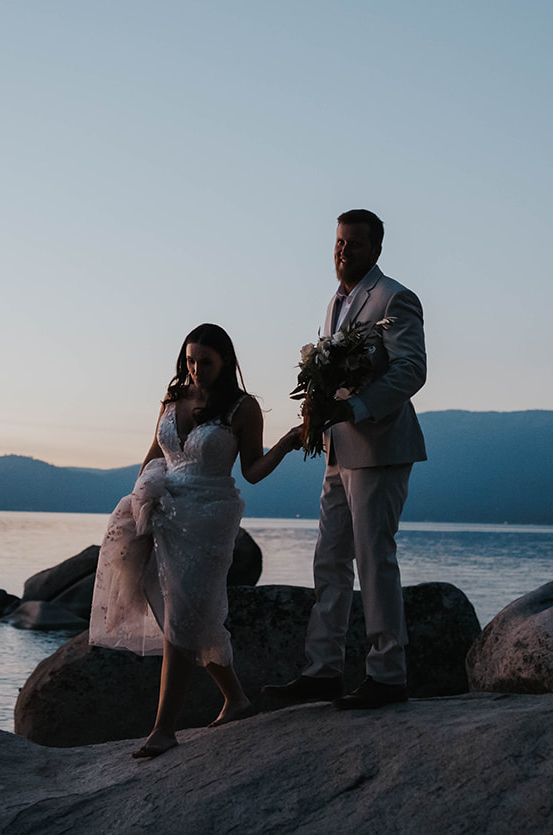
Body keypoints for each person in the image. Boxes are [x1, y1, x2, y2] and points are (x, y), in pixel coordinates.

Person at [90, 323, 302, 759]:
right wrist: (140, 501)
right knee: (190, 614)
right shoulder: (172, 401)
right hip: (164, 513)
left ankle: (164, 729)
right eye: (189, 360)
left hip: (209, 517)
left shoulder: (243, 408)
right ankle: (237, 699)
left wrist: (287, 443)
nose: (196, 369)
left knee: (183, 616)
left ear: (225, 362)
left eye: (205, 361)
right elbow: (154, 455)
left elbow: (252, 470)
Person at [264, 209, 427, 710]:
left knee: (374, 560)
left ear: (376, 249)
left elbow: (411, 370)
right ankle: (322, 669)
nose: (343, 251)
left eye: (354, 244)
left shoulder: (395, 297)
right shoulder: (336, 303)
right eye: (338, 242)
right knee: (330, 559)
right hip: (337, 448)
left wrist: (353, 408)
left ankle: (387, 674)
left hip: (379, 448)